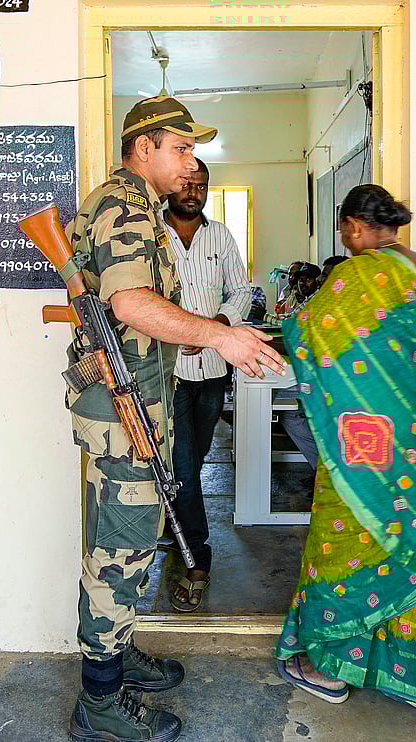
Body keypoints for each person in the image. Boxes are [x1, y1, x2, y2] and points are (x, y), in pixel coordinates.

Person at [62, 96, 284, 742]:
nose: (191, 163)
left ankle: (119, 650)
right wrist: (220, 340)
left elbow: (145, 310)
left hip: (140, 395)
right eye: (182, 149)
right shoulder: (124, 206)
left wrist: (199, 333)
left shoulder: (142, 209)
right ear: (144, 148)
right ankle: (100, 700)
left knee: (133, 541)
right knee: (120, 546)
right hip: (120, 405)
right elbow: (130, 301)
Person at [274, 184, 416, 728]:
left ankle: (333, 669)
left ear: (355, 227)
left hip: (363, 443)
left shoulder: (349, 279)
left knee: (351, 536)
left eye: (345, 229)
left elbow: (305, 339)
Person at [162, 158, 253, 612]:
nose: (193, 191)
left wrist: (216, 325)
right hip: (168, 370)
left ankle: (172, 519)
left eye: (201, 185)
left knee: (192, 463)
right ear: (171, 183)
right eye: (186, 182)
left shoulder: (220, 236)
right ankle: (197, 557)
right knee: (181, 466)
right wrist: (181, 332)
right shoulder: (150, 233)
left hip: (214, 369)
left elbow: (241, 291)